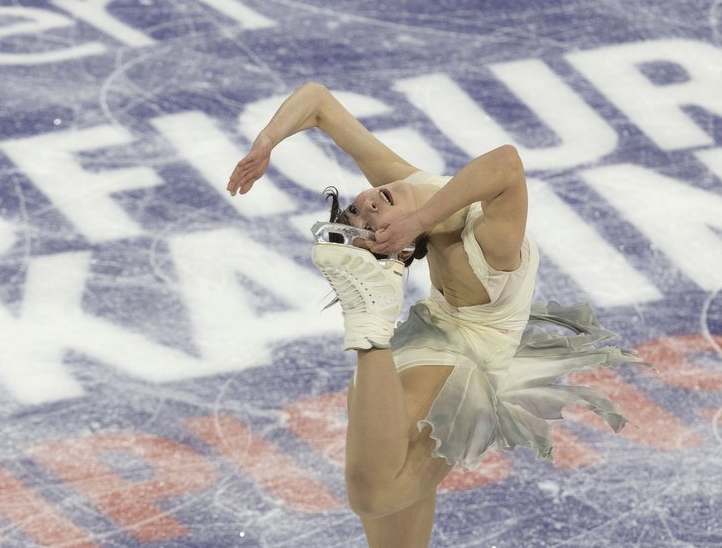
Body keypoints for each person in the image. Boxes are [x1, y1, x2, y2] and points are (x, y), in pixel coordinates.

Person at [227, 82, 644, 548]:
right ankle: (371, 327)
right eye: (369, 224)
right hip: (454, 354)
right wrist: (418, 219)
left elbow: (319, 103)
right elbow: (505, 167)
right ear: (401, 249)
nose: (365, 202)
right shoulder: (486, 245)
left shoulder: (411, 193)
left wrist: (266, 142)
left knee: (384, 508)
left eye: (355, 207)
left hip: (446, 349)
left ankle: (372, 326)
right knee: (375, 494)